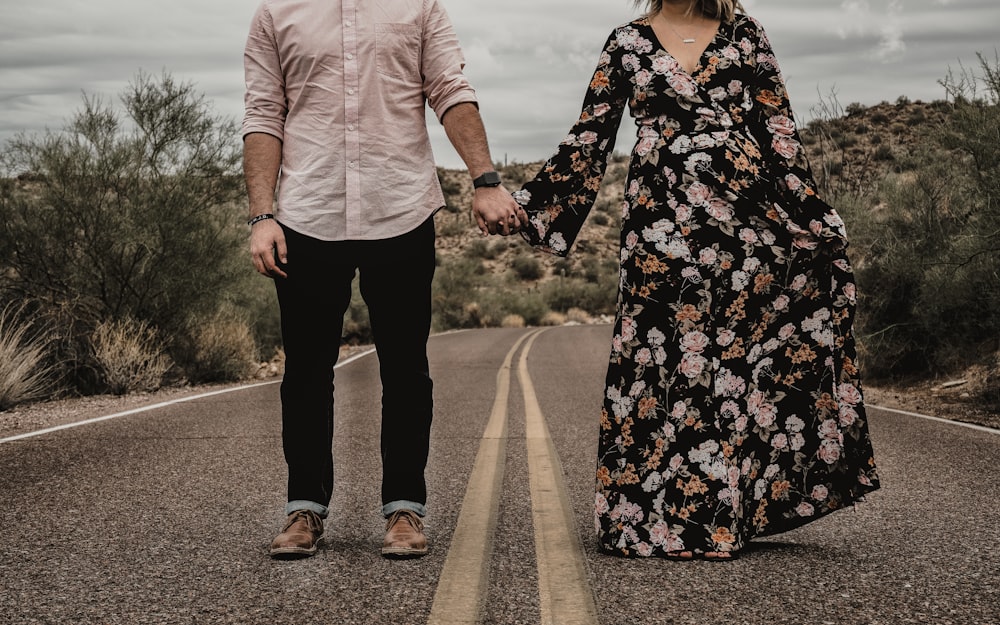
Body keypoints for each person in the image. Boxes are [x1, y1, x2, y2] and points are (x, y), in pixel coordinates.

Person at [512, 0, 880, 559]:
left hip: (744, 218)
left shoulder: (745, 33)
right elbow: (590, 135)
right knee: (660, 358)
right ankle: (647, 518)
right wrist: (533, 207)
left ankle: (725, 513)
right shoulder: (627, 42)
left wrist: (810, 213)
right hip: (659, 221)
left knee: (731, 363)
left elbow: (780, 132)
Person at [242, 0, 527, 560]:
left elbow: (449, 88)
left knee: (404, 366)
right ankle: (304, 507)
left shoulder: (420, 6)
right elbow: (263, 112)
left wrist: (485, 179)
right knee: (304, 370)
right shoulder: (275, 12)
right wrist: (261, 215)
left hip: (399, 207)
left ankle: (404, 508)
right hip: (308, 212)